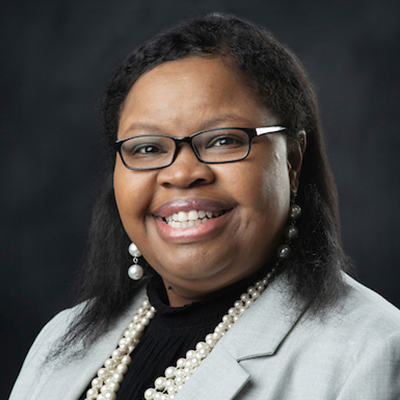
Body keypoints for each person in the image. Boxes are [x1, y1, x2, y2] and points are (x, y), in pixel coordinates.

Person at [9, 13, 400, 400]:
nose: (181, 173)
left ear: (292, 160)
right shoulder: (60, 340)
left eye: (223, 140)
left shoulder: (372, 351)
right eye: (147, 148)